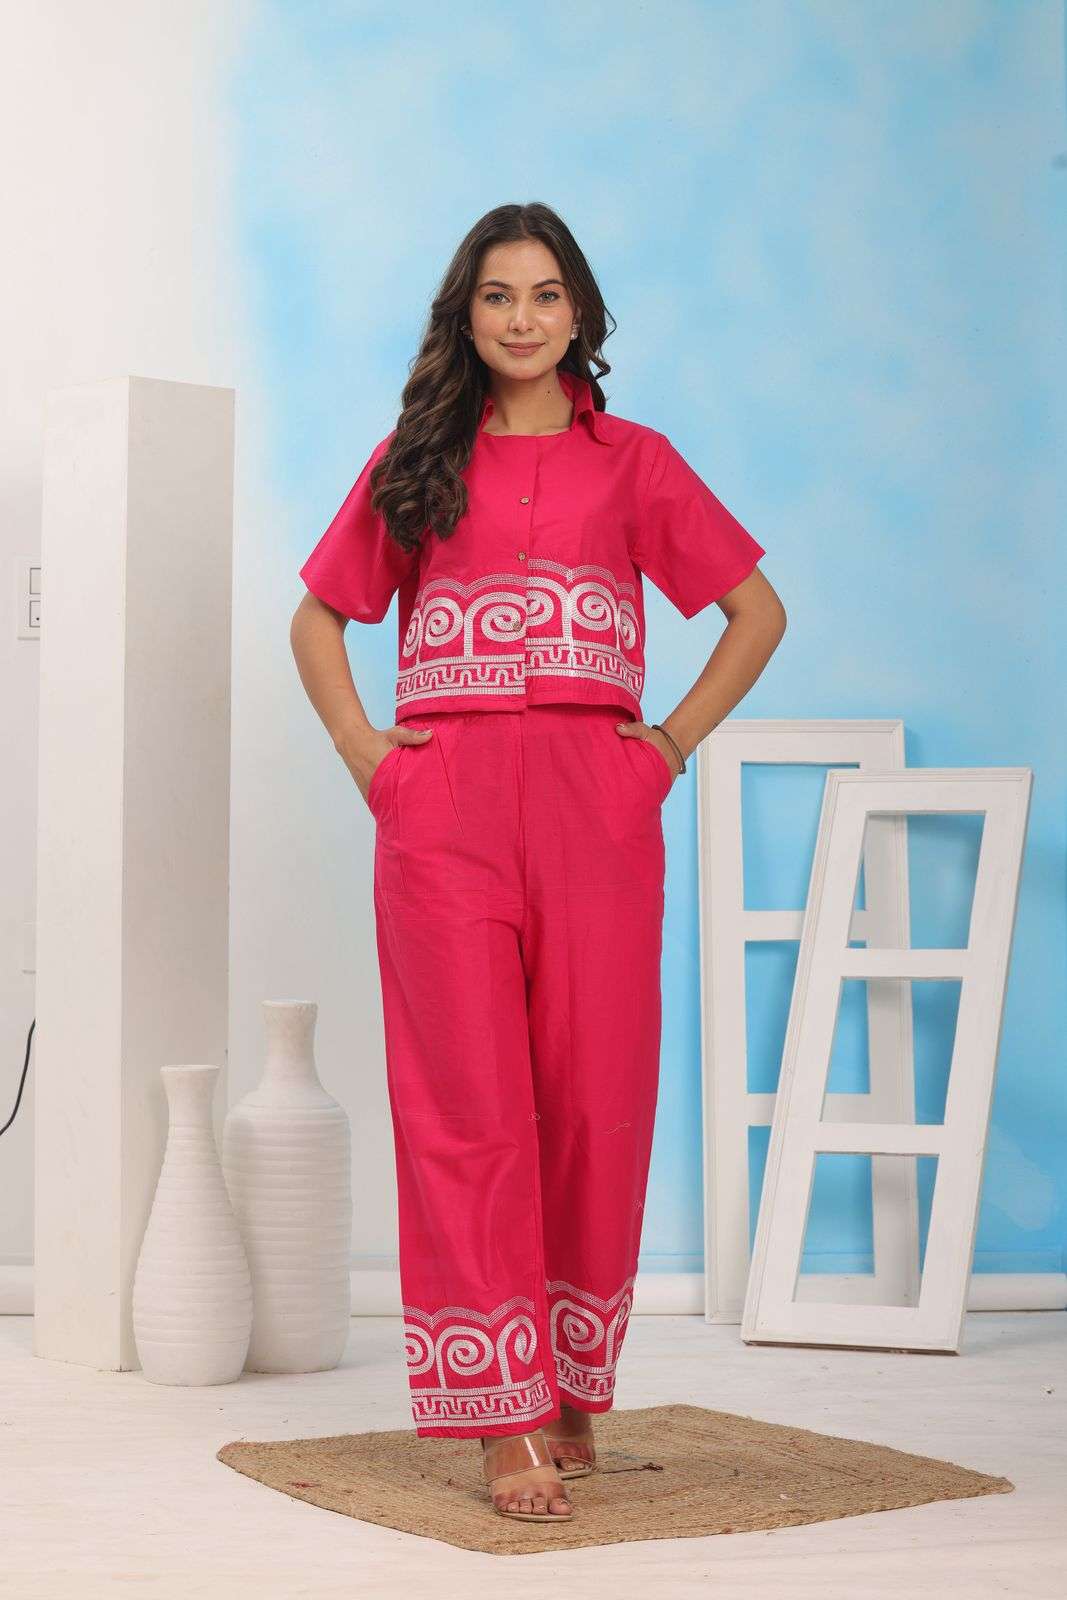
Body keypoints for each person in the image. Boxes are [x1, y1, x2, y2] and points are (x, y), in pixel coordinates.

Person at [291, 202, 786, 1524]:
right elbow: (319, 619)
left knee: (594, 1103)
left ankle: (570, 1388)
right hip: (445, 814)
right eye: (498, 295)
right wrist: (369, 757)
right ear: (466, 315)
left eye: (547, 294)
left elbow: (756, 611)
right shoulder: (418, 461)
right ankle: (501, 1417)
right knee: (467, 1109)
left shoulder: (637, 463)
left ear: (580, 315)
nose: (522, 317)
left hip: (597, 813)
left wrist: (666, 747)